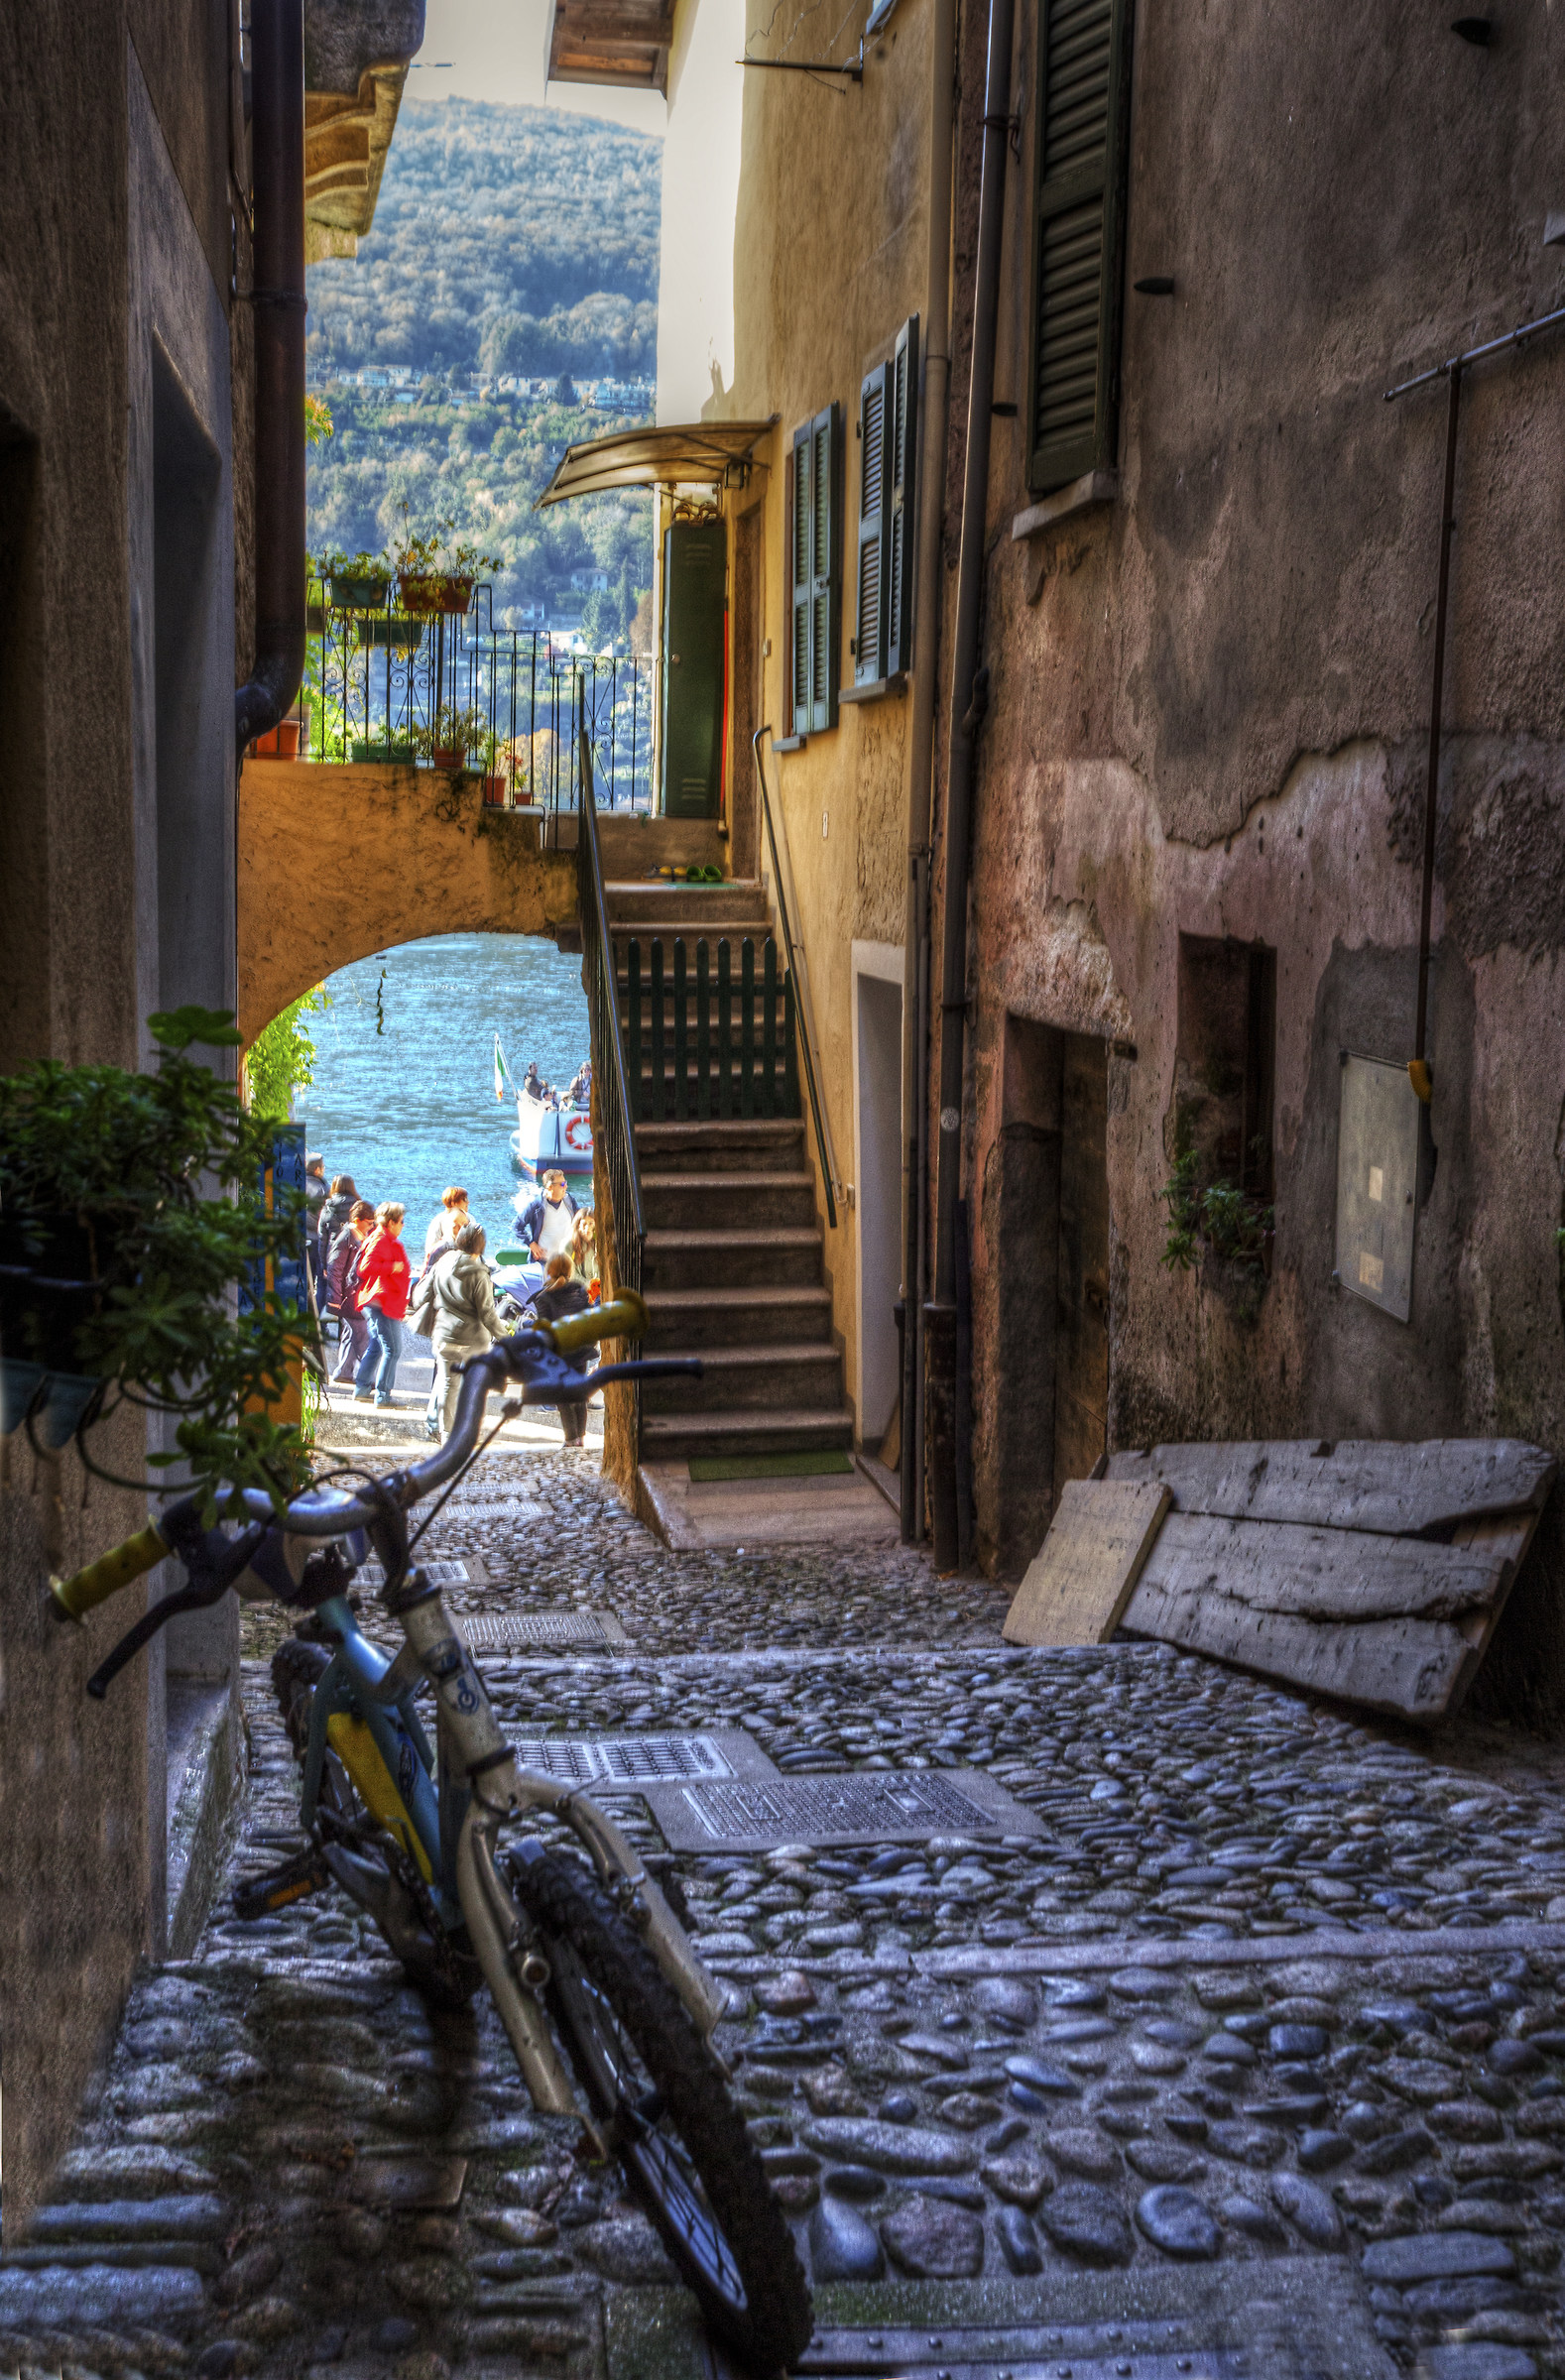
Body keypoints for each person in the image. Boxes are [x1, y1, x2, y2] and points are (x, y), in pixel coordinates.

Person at [412, 1221, 503, 1439]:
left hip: (445, 1334)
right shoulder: (479, 1273)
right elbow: (487, 1313)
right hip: (474, 1339)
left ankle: (446, 1433)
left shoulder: (442, 1263)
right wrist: (505, 1336)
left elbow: (418, 1298)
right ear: (480, 1246)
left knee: (446, 1385)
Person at [529, 1249, 592, 1444]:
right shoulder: (580, 1289)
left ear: (549, 1270)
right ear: (570, 1270)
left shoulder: (542, 1297)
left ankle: (570, 1438)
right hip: (581, 1350)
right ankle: (580, 1437)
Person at [353, 1201, 413, 1406]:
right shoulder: (380, 1239)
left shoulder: (382, 1237)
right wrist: (392, 1266)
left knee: (377, 1346)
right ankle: (383, 1396)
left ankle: (361, 1389)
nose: (403, 1225)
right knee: (393, 1349)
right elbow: (365, 1267)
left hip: (379, 1300)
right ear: (391, 1222)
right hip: (381, 1302)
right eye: (401, 1221)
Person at [327, 1200, 376, 1382]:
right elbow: (335, 1268)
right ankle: (366, 1379)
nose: (372, 1226)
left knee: (351, 1334)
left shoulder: (358, 1235)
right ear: (357, 1220)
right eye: (369, 1223)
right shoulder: (346, 1237)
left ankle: (344, 1372)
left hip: (354, 1294)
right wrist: (335, 1297)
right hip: (348, 1296)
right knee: (363, 1336)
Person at [516, 1168, 577, 1262]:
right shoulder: (536, 1205)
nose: (566, 1187)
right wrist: (531, 1243)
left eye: (565, 1183)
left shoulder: (570, 1201)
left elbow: (581, 1221)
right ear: (550, 1187)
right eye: (562, 1184)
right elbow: (517, 1226)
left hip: (567, 1261)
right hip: (544, 1262)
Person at [420, 1185, 470, 1278]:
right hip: (442, 1267)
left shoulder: (469, 1217)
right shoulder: (438, 1220)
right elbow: (430, 1250)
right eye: (464, 1199)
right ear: (454, 1202)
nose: (468, 1202)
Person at [317, 1173, 358, 1279]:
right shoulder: (359, 1206)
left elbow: (323, 1239)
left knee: (331, 1287)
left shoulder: (328, 1207)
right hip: (354, 1251)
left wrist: (324, 1265)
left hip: (333, 1252)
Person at [570, 1206, 599, 1299]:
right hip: (578, 1292)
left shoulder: (600, 1243)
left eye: (591, 1223)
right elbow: (569, 1273)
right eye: (584, 1224)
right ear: (578, 1226)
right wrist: (589, 1284)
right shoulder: (570, 1245)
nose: (587, 1228)